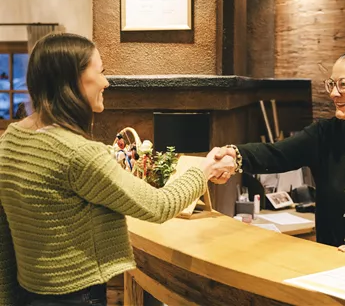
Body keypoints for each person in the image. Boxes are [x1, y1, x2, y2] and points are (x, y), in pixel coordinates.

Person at [0, 33, 234, 306]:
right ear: (72, 82)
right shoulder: (79, 154)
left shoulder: (12, 138)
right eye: (100, 72)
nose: (106, 82)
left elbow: (4, 232)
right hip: (78, 296)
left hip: (30, 294)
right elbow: (159, 205)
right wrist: (204, 169)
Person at [212, 50, 345, 252]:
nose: (334, 93)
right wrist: (234, 155)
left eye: (344, 84)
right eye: (331, 84)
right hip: (327, 267)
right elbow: (276, 153)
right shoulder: (324, 134)